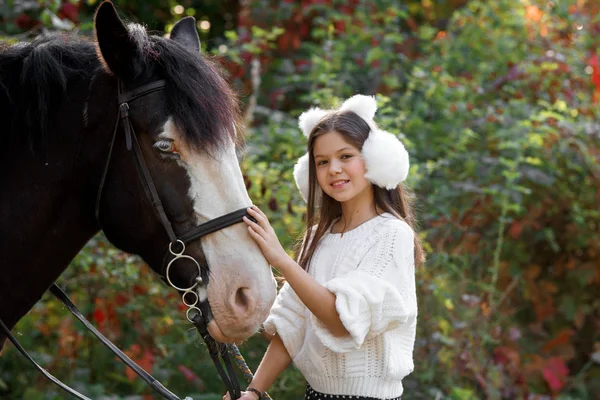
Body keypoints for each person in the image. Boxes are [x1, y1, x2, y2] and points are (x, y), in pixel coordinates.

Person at [224, 95, 424, 400]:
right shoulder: (320, 236)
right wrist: (253, 392)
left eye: (346, 156)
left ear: (373, 159)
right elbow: (292, 326)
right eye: (322, 162)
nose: (334, 169)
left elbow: (342, 320)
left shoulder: (392, 234)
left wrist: (281, 260)